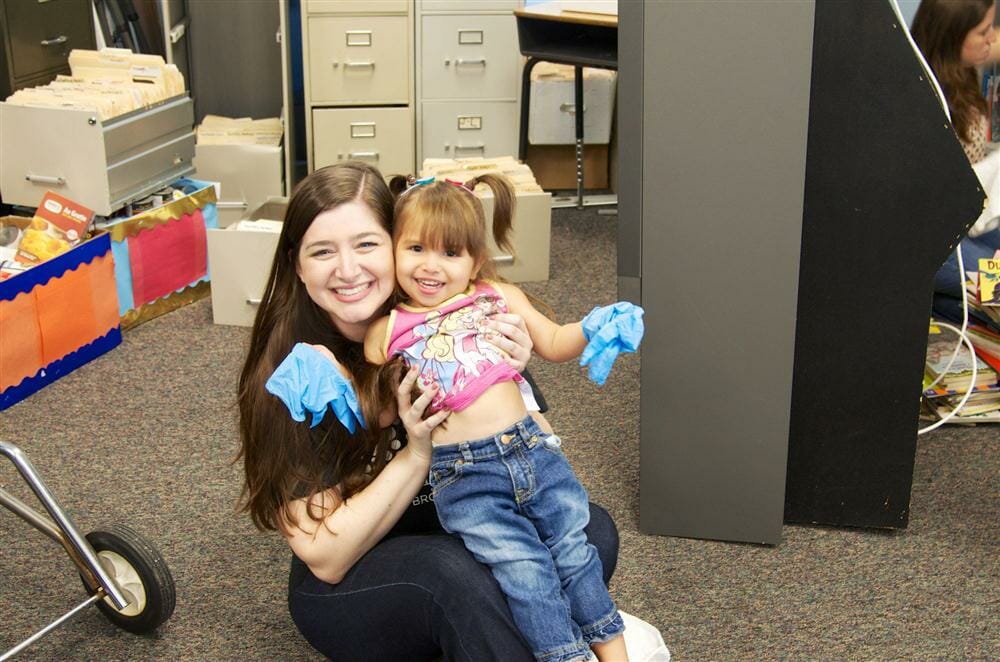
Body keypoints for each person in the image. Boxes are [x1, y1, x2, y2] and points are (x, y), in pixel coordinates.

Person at [236, 161, 622, 661]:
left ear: (398, 242)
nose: (348, 270)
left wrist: (512, 376)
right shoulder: (297, 372)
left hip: (467, 514)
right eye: (323, 251)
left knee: (589, 530)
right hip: (356, 572)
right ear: (297, 264)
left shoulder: (453, 311)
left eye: (367, 244)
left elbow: (537, 454)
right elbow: (325, 556)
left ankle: (487, 638)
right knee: (456, 578)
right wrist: (415, 452)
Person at [363, 174, 642, 662]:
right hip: (464, 475)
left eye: (451, 253)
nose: (431, 266)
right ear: (392, 250)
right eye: (415, 248)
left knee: (575, 554)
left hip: (532, 450)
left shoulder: (497, 295)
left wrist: (595, 323)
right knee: (526, 571)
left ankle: (616, 656)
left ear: (475, 259)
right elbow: (378, 405)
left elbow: (554, 342)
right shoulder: (387, 330)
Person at [911, 0, 1000, 301]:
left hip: (972, 215)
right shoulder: (923, 102)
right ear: (952, 37)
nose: (992, 38)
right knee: (993, 279)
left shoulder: (962, 69)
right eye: (984, 31)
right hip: (940, 238)